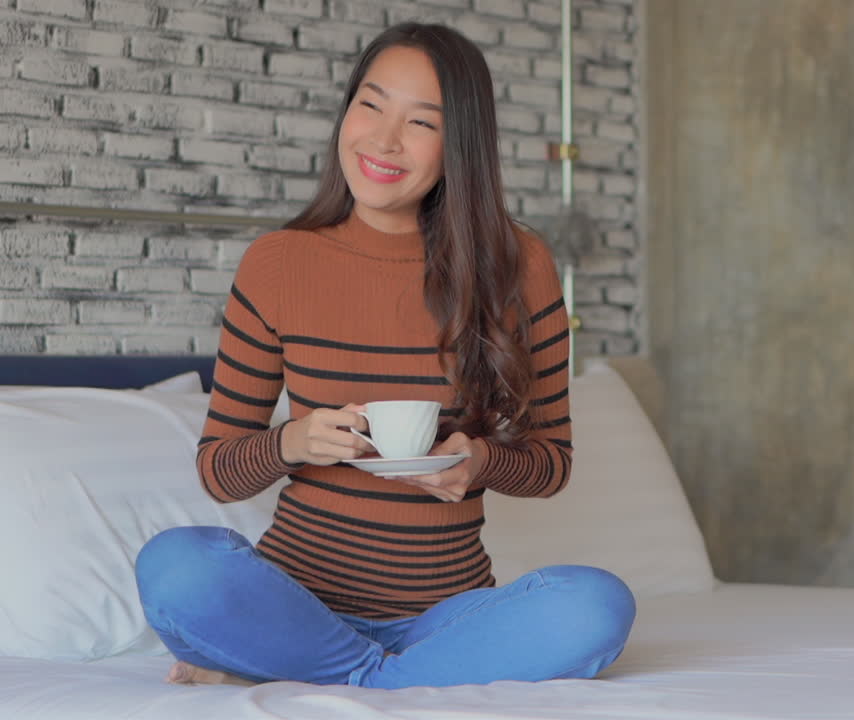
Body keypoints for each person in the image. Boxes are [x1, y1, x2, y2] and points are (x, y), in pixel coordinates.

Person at [134, 22, 636, 690]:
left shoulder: (520, 266)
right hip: (297, 604)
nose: (384, 139)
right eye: (370, 105)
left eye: (420, 122)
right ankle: (394, 679)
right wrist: (293, 442)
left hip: (447, 615)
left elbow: (551, 465)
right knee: (175, 566)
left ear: (457, 147)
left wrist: (479, 461)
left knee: (598, 605)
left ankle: (342, 677)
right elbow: (220, 472)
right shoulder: (278, 263)